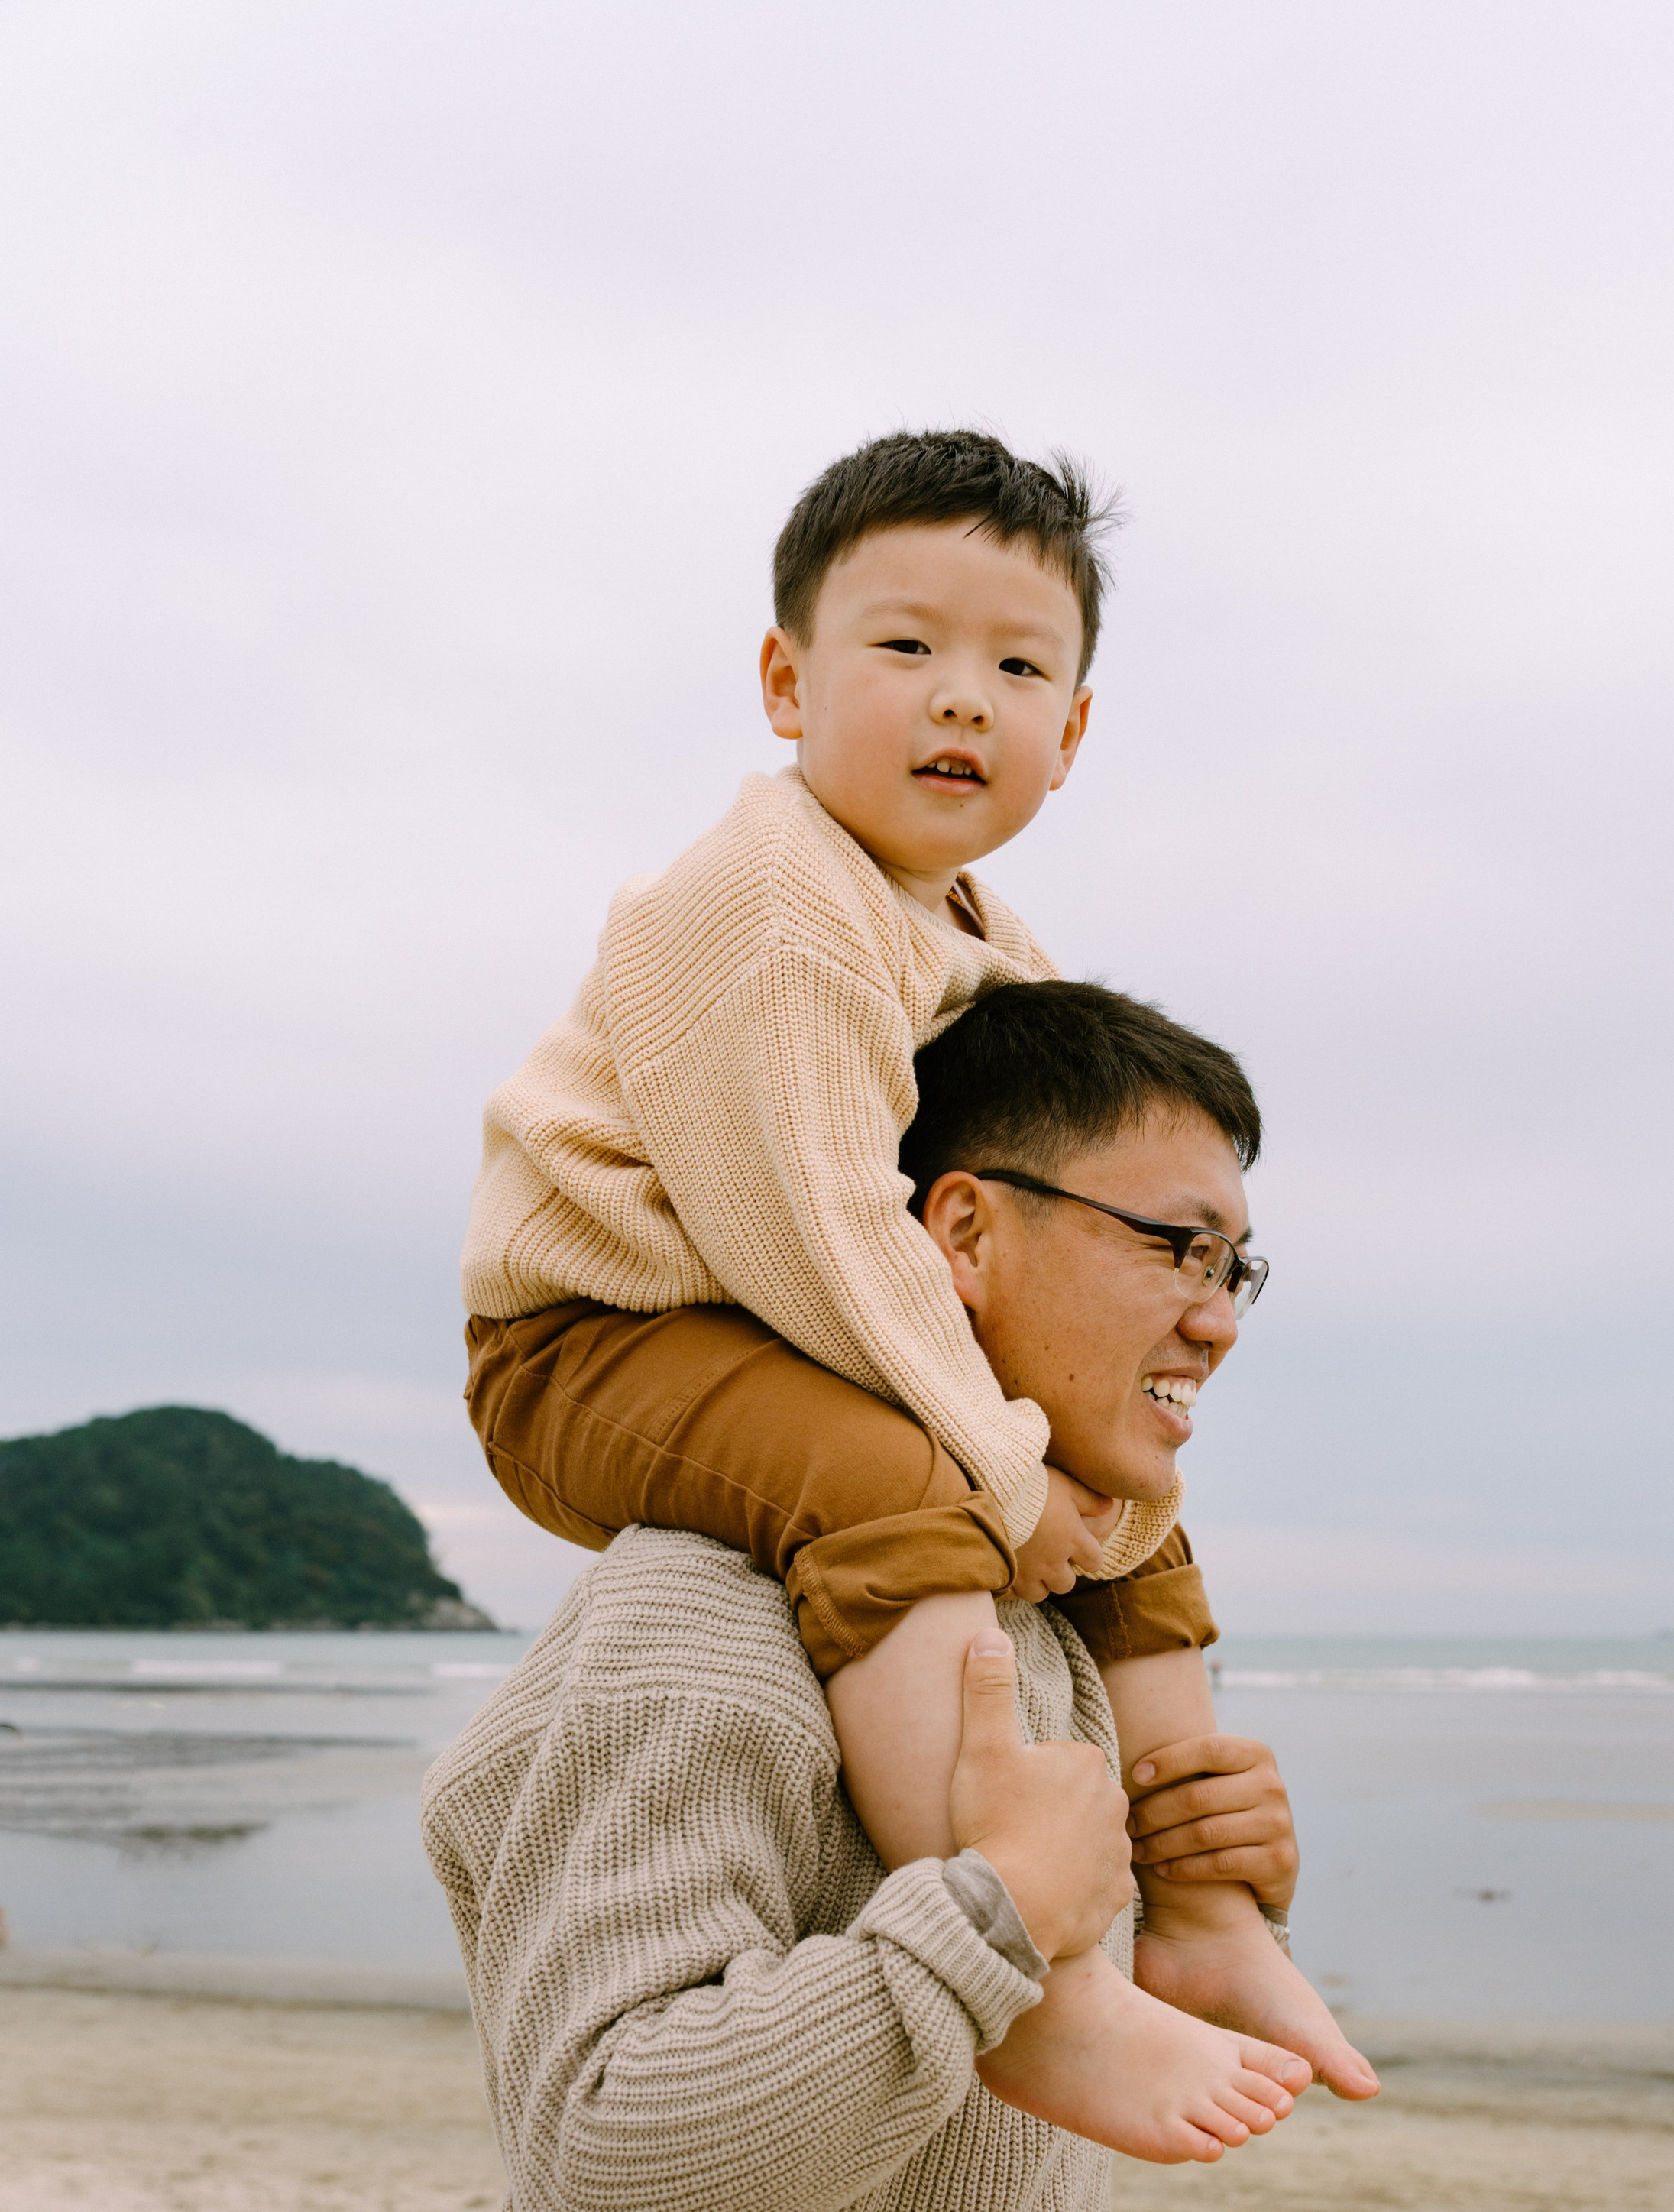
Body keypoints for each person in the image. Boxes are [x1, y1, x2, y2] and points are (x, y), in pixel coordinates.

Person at [423, 986, 1352, 2212]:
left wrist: (1194, 1897)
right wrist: (992, 1919)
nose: (1218, 1315)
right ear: (958, 1229)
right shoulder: (694, 1617)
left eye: (1239, 1262)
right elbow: (606, 2166)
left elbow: (1024, 2051)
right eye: (1170, 1246)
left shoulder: (1055, 1620)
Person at [458, 429, 1376, 2120]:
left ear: (1072, 732)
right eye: (906, 647)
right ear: (784, 681)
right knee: (902, 1481)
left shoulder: (977, 932)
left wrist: (1063, 1477)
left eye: (1017, 666)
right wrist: (997, 1460)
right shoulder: (775, 905)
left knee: (1130, 1508)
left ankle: (1204, 1913)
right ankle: (1040, 1990)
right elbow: (827, 1237)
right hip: (604, 1334)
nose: (963, 699)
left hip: (786, 1318)